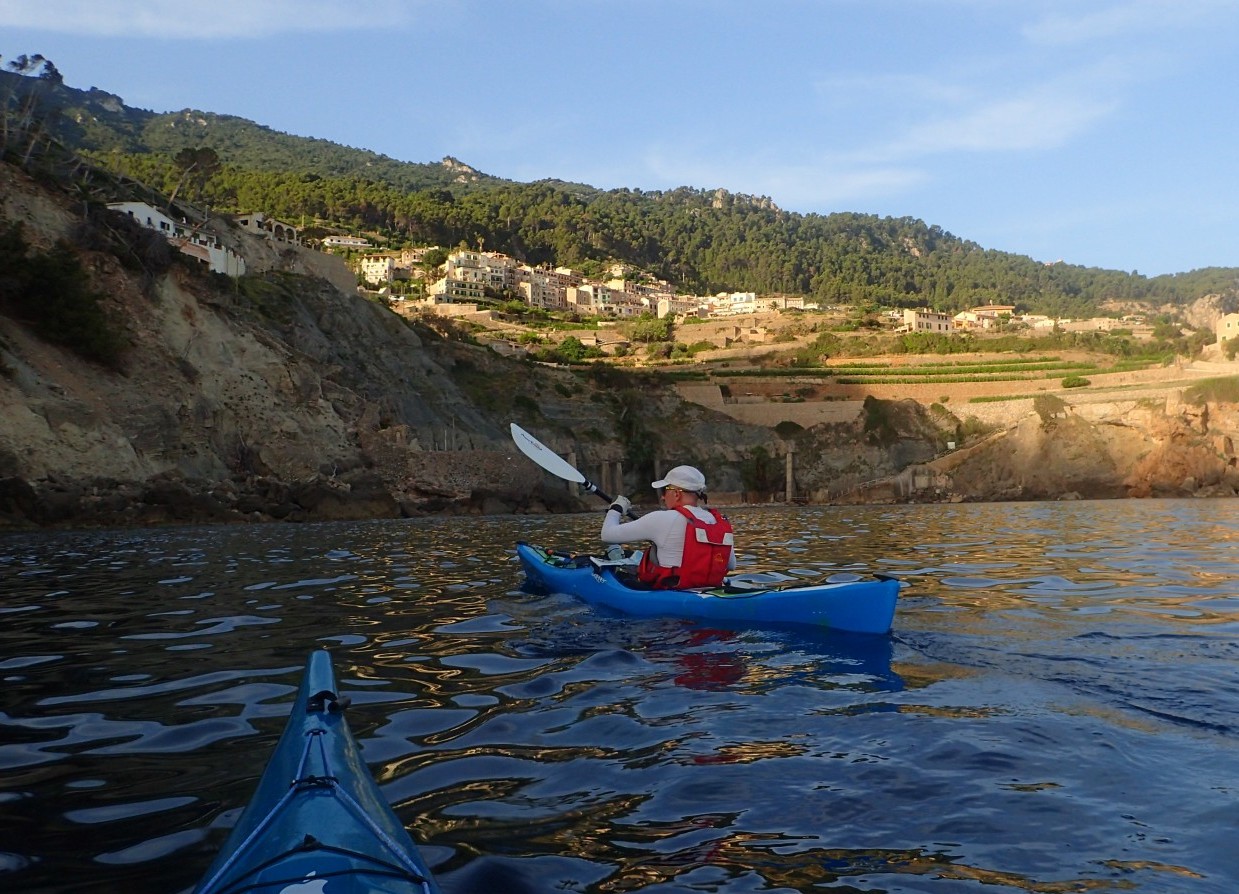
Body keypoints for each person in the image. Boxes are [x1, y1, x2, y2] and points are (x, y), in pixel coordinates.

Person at [601, 465, 736, 589]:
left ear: (677, 493)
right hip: (708, 589)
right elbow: (731, 565)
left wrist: (616, 508)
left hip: (671, 593)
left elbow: (607, 535)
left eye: (665, 491)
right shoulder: (718, 521)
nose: (663, 497)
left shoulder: (662, 518)